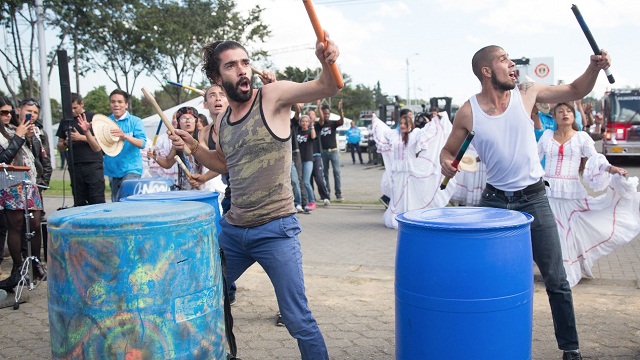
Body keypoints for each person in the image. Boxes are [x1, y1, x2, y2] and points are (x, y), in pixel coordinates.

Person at [169, 34, 340, 359]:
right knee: (200, 295)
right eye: (232, 66)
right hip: (233, 233)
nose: (243, 70)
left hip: (275, 231)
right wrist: (191, 145)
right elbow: (222, 163)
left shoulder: (272, 97)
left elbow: (327, 87)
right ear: (218, 78)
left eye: (245, 62)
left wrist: (326, 60)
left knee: (297, 319)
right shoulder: (222, 121)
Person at [440, 44, 612, 360]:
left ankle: (570, 348)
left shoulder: (527, 93)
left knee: (556, 279)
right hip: (493, 203)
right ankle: (485, 340)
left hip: (534, 199)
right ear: (487, 71)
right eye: (504, 59)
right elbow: (448, 152)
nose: (512, 64)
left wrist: (595, 68)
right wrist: (447, 162)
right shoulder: (468, 111)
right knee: (486, 278)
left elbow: (575, 89)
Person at [537, 102, 640, 287]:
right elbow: (533, 160)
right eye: (560, 111)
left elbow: (594, 159)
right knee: (553, 233)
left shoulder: (581, 138)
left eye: (568, 111)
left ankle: (567, 271)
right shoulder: (546, 136)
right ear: (554, 117)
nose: (565, 114)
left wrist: (611, 168)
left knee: (569, 233)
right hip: (548, 192)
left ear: (574, 115)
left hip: (572, 193)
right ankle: (557, 270)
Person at [372, 112, 454, 229]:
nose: (402, 126)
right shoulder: (394, 134)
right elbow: (383, 131)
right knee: (397, 195)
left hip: (410, 171)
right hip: (397, 171)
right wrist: (376, 121)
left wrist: (436, 118)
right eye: (400, 123)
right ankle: (397, 216)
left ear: (410, 124)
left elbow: (430, 131)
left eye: (405, 124)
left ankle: (409, 216)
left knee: (409, 195)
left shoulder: (415, 134)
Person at [0, 96, 45, 280]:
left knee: (35, 222)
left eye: (9, 112)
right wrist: (19, 135)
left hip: (29, 181)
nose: (7, 115)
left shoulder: (17, 129)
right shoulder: (7, 133)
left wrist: (30, 137)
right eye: (4, 112)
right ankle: (19, 269)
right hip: (11, 183)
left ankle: (35, 263)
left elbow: (37, 157)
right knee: (16, 225)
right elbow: (4, 158)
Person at [55, 93, 105, 206]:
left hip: (93, 163)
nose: (72, 111)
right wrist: (66, 142)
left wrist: (81, 137)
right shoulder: (65, 121)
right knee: (79, 198)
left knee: (96, 197)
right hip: (75, 164)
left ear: (82, 104)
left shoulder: (93, 117)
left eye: (75, 108)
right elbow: (59, 145)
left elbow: (102, 139)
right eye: (69, 109)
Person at [105, 89, 147, 202]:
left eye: (120, 102)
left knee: (127, 200)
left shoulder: (135, 121)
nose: (116, 105)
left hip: (132, 169)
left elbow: (142, 143)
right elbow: (98, 146)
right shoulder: (105, 122)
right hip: (113, 170)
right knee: (116, 202)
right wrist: (87, 133)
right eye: (113, 102)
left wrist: (125, 136)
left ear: (126, 104)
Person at [148, 107, 202, 190]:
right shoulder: (178, 143)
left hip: (204, 184)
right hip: (186, 188)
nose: (187, 121)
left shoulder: (203, 138)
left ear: (195, 121)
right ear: (179, 123)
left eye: (191, 118)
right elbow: (168, 163)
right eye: (184, 118)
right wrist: (155, 157)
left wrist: (203, 178)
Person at [318, 100, 344, 202]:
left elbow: (341, 121)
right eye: (325, 113)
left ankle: (338, 194)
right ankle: (326, 194)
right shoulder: (319, 125)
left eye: (328, 113)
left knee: (336, 172)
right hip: (323, 152)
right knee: (325, 174)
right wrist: (318, 108)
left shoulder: (333, 124)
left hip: (333, 151)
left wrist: (340, 110)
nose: (327, 115)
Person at [308, 105, 331, 205]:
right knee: (308, 180)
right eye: (308, 114)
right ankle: (311, 198)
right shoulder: (303, 125)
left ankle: (325, 197)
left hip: (317, 155)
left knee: (319, 178)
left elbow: (322, 119)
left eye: (312, 114)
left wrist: (319, 108)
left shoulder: (317, 125)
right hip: (306, 157)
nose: (310, 116)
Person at [297, 114, 317, 210]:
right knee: (300, 182)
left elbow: (313, 136)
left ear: (308, 123)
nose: (304, 123)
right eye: (302, 121)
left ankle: (312, 201)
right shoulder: (298, 132)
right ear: (300, 122)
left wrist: (312, 125)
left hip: (308, 159)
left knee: (306, 181)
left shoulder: (310, 131)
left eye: (306, 121)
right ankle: (304, 201)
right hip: (299, 160)